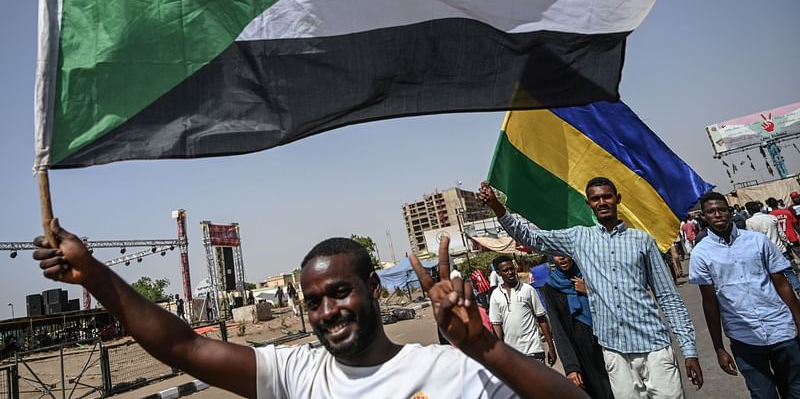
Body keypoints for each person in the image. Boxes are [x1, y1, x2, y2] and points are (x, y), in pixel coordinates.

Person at [33, 219, 587, 399]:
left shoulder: (448, 371)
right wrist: (99, 278)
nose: (327, 312)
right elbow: (183, 346)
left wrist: (486, 348)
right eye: (313, 301)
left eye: (340, 293)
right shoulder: (296, 373)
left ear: (372, 288)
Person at [479, 178, 703, 399]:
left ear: (618, 199)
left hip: (654, 346)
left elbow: (668, 297)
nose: (602, 202)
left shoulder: (641, 241)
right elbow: (529, 237)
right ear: (589, 204)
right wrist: (497, 206)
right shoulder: (579, 238)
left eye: (607, 196)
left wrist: (689, 350)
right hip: (615, 350)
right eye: (596, 199)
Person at [689, 191, 800, 399]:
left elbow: (782, 284)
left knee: (795, 389)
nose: (718, 215)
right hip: (744, 338)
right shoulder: (701, 253)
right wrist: (719, 348)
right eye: (711, 212)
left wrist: (799, 321)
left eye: (722, 210)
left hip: (781, 329)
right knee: (763, 395)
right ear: (703, 217)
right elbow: (710, 303)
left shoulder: (758, 241)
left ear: (729, 212)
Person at [542, 255, 614, 399]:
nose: (561, 258)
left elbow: (613, 304)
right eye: (556, 254)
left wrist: (588, 291)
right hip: (580, 352)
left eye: (564, 253)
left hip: (607, 343)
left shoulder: (591, 274)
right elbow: (558, 328)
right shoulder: (551, 287)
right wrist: (571, 367)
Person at [489, 255, 556, 365]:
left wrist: (551, 347)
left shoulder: (528, 290)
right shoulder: (495, 295)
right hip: (512, 353)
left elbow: (541, 318)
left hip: (534, 349)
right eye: (505, 270)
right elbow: (496, 325)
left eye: (511, 269)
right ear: (498, 273)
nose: (510, 272)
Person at [744, 201, 800, 293]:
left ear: (749, 211)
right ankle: (798, 290)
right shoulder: (771, 218)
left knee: (774, 276)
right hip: (780, 249)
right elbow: (781, 234)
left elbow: (753, 239)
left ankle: (784, 294)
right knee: (789, 272)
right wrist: (786, 246)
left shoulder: (749, 222)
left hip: (765, 252)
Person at [766, 197, 800, 262]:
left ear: (769, 206)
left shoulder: (769, 216)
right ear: (777, 203)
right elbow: (795, 225)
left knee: (789, 259)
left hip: (781, 240)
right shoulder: (786, 212)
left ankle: (795, 270)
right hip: (792, 237)